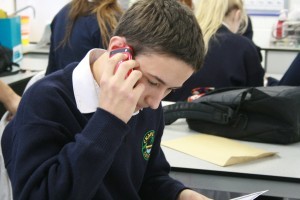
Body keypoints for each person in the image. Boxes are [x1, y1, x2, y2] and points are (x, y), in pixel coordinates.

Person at [1, 0, 210, 199]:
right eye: (154, 82)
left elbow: (150, 178)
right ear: (118, 49)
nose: (156, 102)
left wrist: (178, 194)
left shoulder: (147, 105)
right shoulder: (46, 101)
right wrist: (109, 120)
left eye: (170, 89)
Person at [164, 0, 265, 102]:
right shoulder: (244, 47)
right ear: (237, 15)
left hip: (171, 114)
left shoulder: (176, 39)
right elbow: (258, 98)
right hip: (223, 116)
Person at [46, 0, 123, 75]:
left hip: (60, 85)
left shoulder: (62, 14)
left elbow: (51, 70)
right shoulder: (110, 19)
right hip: (90, 86)